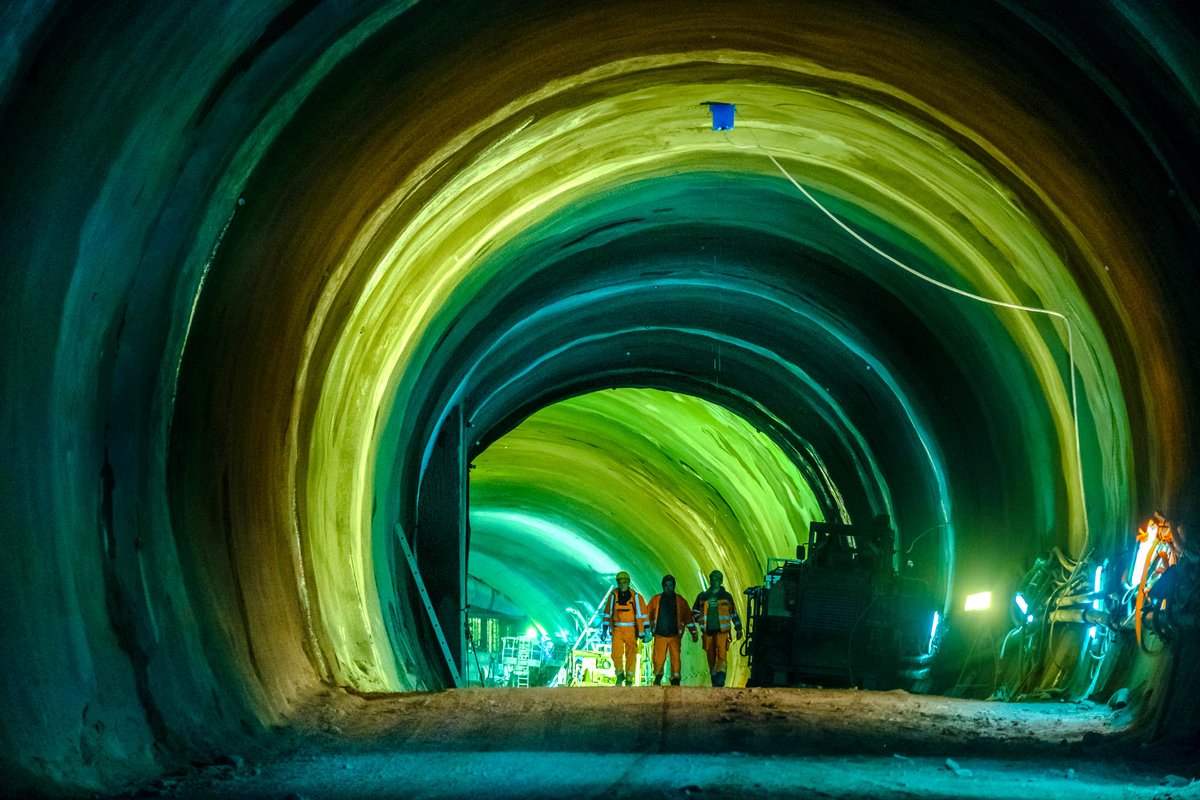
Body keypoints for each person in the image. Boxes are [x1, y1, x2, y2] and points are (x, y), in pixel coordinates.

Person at [691, 570, 742, 687]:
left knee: (722, 654)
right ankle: (714, 677)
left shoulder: (726, 597)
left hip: (722, 632)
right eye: (712, 578)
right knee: (710, 655)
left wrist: (739, 628)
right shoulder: (703, 596)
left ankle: (721, 677)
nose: (714, 581)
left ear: (721, 581)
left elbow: (733, 613)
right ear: (710, 580)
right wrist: (700, 620)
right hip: (708, 632)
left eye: (717, 579)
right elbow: (694, 612)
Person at [646, 574, 699, 685]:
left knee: (676, 659)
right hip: (660, 635)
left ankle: (675, 679)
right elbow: (646, 615)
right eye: (666, 585)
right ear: (663, 586)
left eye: (670, 585)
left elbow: (688, 618)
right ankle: (658, 676)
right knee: (658, 659)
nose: (668, 588)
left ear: (674, 586)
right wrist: (645, 630)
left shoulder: (680, 601)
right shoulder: (656, 600)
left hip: (675, 636)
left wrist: (694, 632)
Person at [601, 571, 649, 686]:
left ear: (628, 583)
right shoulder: (613, 596)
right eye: (620, 582)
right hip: (617, 629)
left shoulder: (636, 598)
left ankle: (629, 678)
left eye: (625, 582)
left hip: (631, 630)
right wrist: (604, 630)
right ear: (617, 583)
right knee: (615, 654)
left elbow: (643, 614)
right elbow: (607, 613)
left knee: (631, 654)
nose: (622, 585)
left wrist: (645, 630)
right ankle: (619, 674)